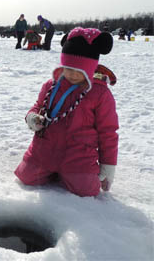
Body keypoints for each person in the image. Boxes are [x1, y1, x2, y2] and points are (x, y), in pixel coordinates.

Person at [14, 27, 118, 197]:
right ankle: (52, 171)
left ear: (90, 68)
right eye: (68, 68)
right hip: (45, 149)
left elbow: (108, 131)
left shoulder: (100, 94)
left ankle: (69, 173)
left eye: (80, 70)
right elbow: (38, 106)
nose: (72, 75)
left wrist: (108, 163)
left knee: (86, 191)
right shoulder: (51, 85)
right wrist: (32, 117)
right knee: (25, 178)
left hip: (78, 155)